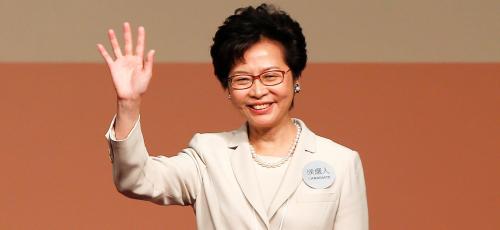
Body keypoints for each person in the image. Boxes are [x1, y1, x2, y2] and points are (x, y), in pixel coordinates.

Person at [98, 4, 368, 230]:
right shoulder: (208, 155)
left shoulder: (340, 162)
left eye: (271, 76)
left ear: (295, 77)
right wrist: (128, 103)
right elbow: (137, 179)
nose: (258, 90)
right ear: (227, 88)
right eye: (242, 79)